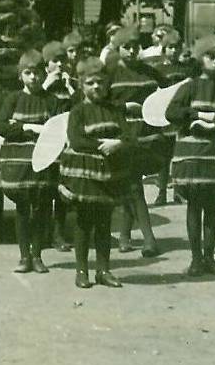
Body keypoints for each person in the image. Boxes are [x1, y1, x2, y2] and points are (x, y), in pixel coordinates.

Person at [165, 34, 215, 277]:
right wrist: (197, 117)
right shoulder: (189, 87)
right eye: (211, 56)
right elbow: (172, 113)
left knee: (212, 207)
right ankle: (196, 258)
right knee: (195, 205)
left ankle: (209, 257)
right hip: (194, 157)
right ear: (201, 59)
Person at [59, 56, 134, 288]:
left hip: (110, 174)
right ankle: (82, 271)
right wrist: (103, 146)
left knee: (104, 223)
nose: (96, 87)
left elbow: (129, 135)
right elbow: (77, 140)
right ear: (82, 85)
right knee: (84, 223)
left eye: (100, 82)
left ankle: (104, 270)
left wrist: (119, 144)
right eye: (91, 83)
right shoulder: (78, 111)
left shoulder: (114, 110)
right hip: (85, 175)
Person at [0, 49, 59, 274]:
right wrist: (28, 128)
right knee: (22, 209)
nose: (34, 78)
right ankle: (23, 256)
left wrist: (30, 128)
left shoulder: (51, 101)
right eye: (28, 73)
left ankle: (38, 255)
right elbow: (2, 126)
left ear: (44, 74)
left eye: (38, 73)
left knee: (42, 209)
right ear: (20, 75)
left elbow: (57, 129)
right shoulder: (13, 99)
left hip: (44, 163)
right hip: (18, 164)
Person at [107, 26, 164, 258]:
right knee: (133, 185)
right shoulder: (109, 74)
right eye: (126, 47)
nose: (131, 52)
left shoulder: (150, 73)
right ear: (117, 48)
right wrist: (123, 107)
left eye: (135, 47)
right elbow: (98, 102)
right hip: (123, 135)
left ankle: (124, 235)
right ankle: (149, 238)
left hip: (148, 134)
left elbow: (167, 91)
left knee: (134, 181)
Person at [143, 28, 192, 205]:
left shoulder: (185, 70)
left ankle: (178, 191)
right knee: (163, 156)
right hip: (163, 116)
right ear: (164, 49)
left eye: (176, 47)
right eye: (170, 47)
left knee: (178, 154)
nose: (173, 51)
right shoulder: (157, 69)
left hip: (180, 115)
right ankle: (162, 192)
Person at [41, 40, 76, 253]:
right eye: (55, 61)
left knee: (62, 193)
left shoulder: (69, 86)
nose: (60, 65)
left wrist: (71, 87)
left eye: (62, 61)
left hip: (64, 145)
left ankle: (59, 234)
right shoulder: (42, 87)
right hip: (46, 144)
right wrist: (46, 84)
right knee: (45, 191)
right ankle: (44, 233)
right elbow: (35, 102)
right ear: (47, 66)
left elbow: (79, 107)